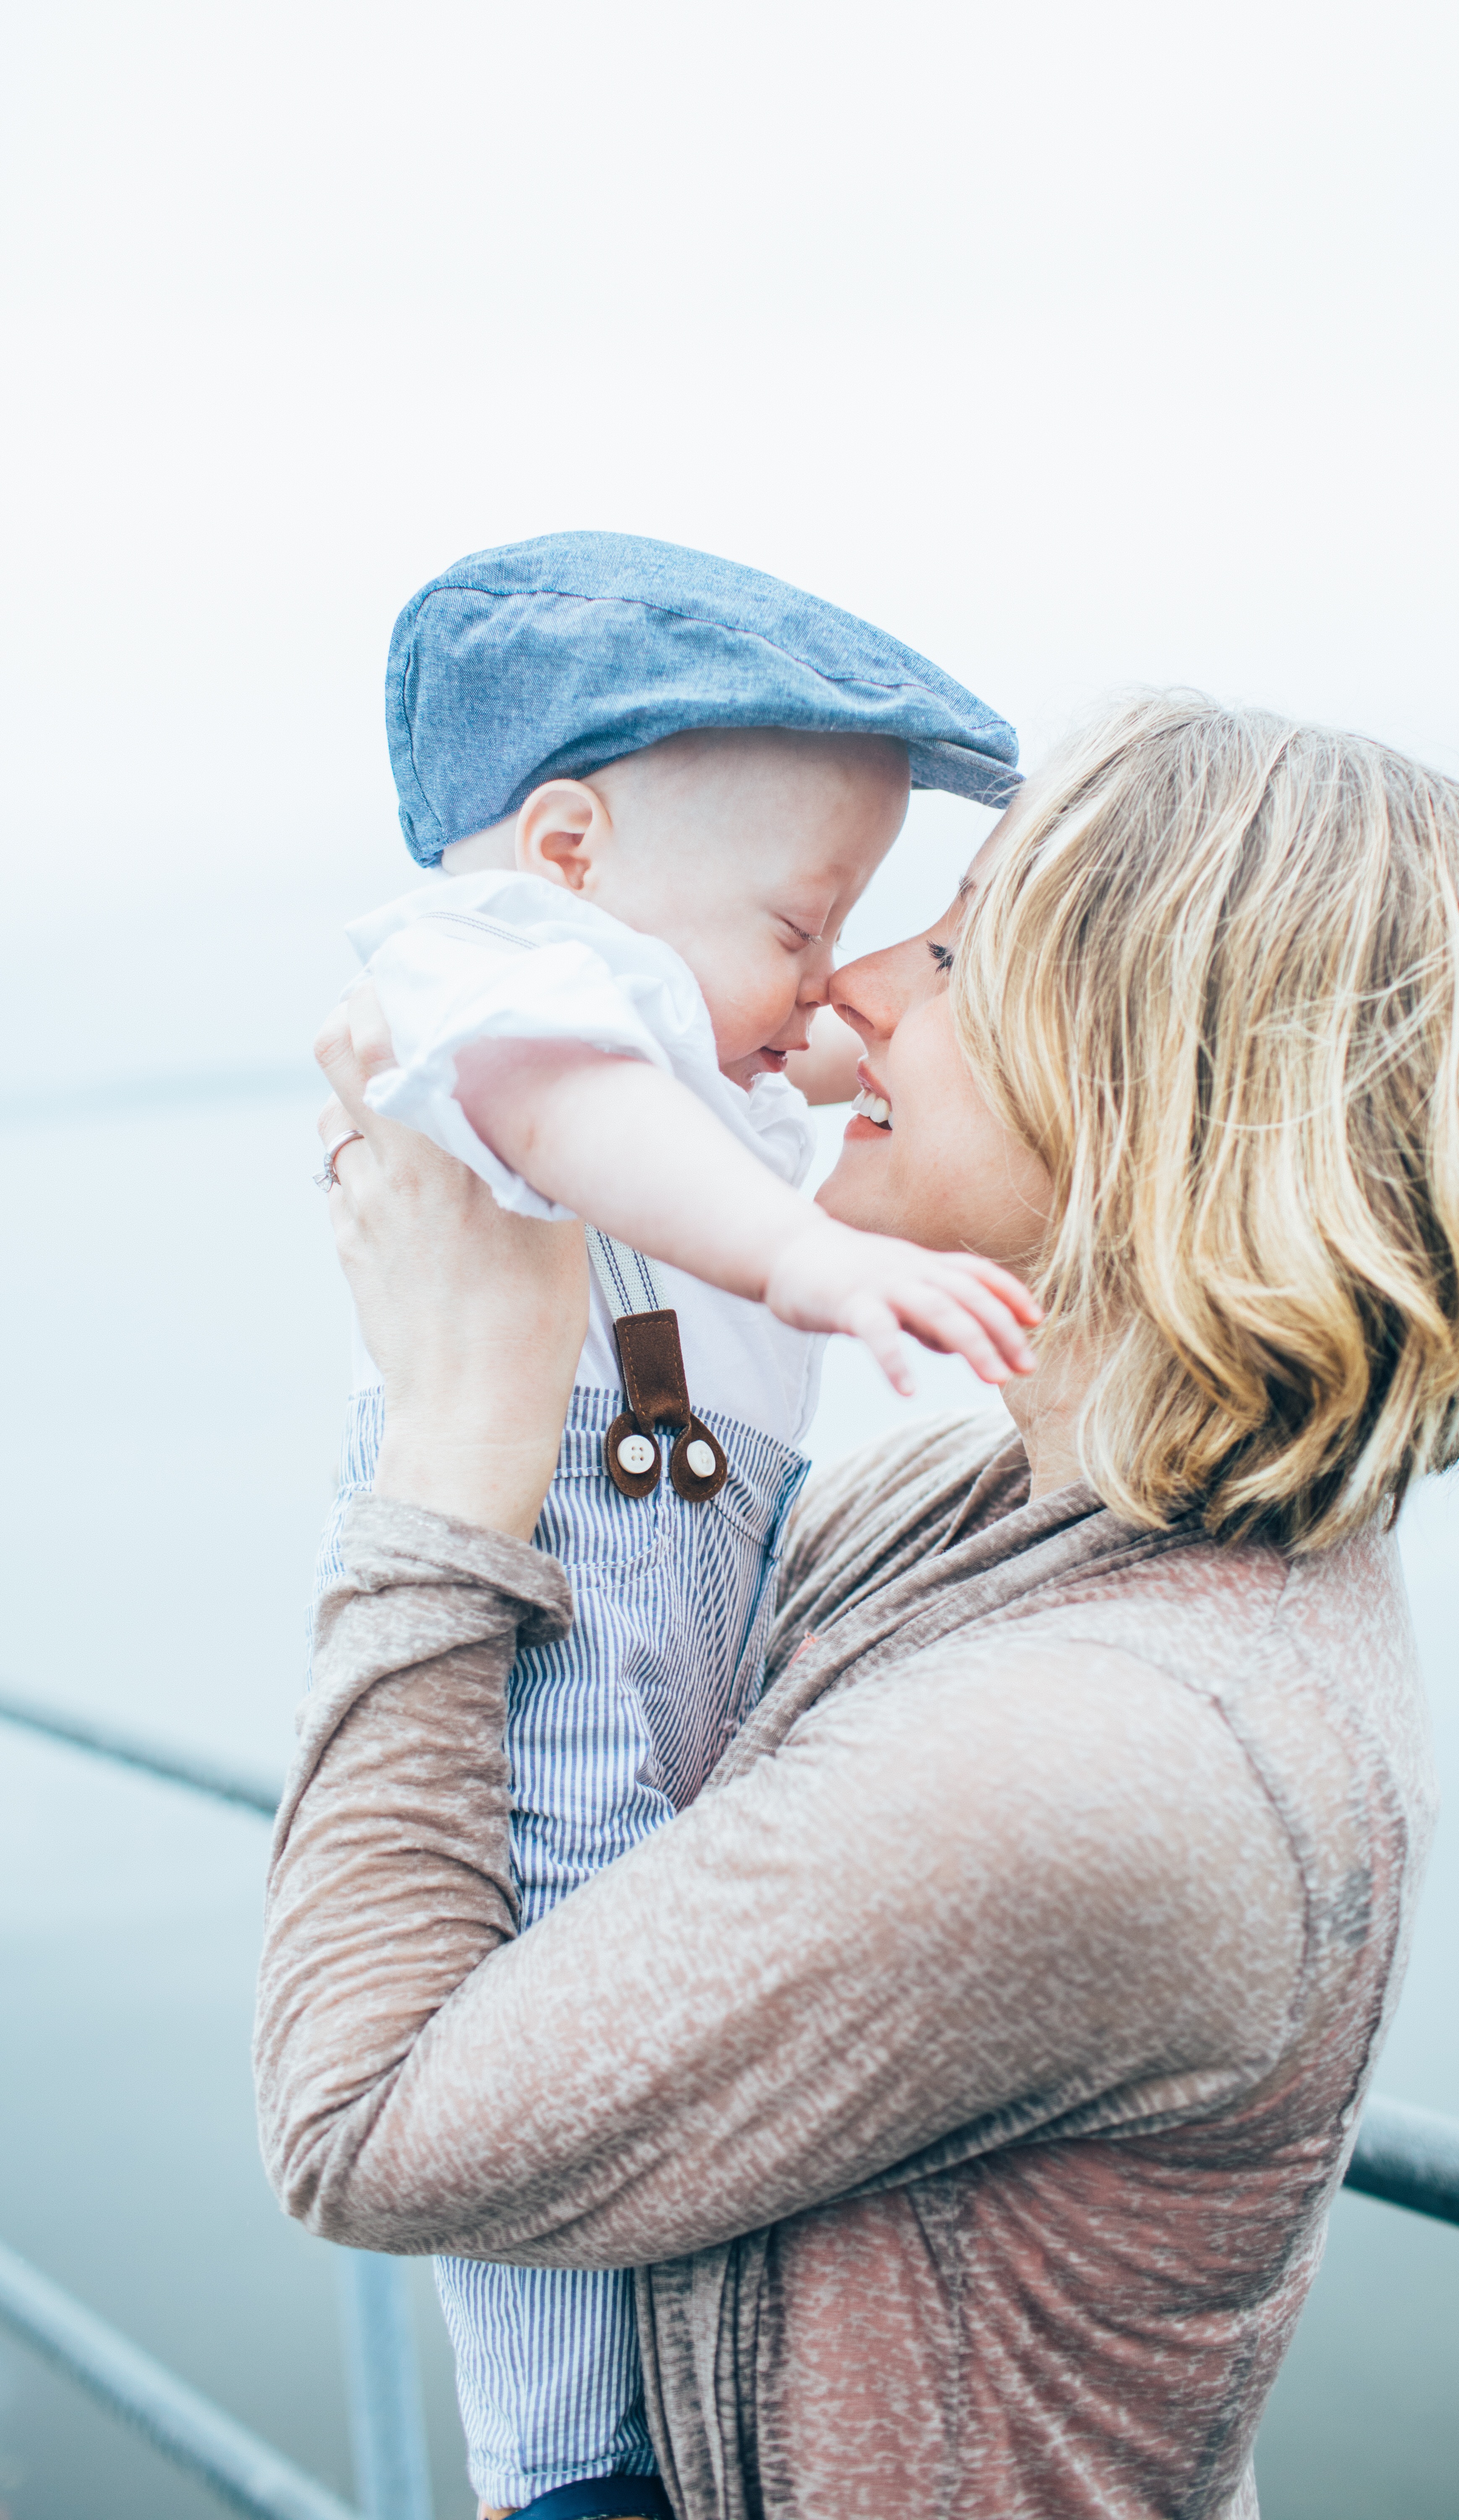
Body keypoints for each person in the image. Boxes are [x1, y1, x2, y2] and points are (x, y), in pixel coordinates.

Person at [262, 694, 1459, 2520]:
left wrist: (456, 1433)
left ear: (1155, 1086)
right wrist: (568, 1177)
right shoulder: (1019, 1505)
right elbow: (640, 1596)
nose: (854, 983)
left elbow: (360, 2122)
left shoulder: (1104, 1756)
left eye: (951, 951)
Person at [313, 532, 1039, 2518]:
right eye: (803, 923)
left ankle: (643, 2420)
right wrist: (806, 1257)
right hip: (563, 1557)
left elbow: (747, 1076)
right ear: (567, 848)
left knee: (632, 1974)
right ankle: (565, 2461)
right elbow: (570, 1118)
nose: (823, 985)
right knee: (542, 1943)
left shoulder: (666, 1011)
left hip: (683, 1548)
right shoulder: (499, 969)